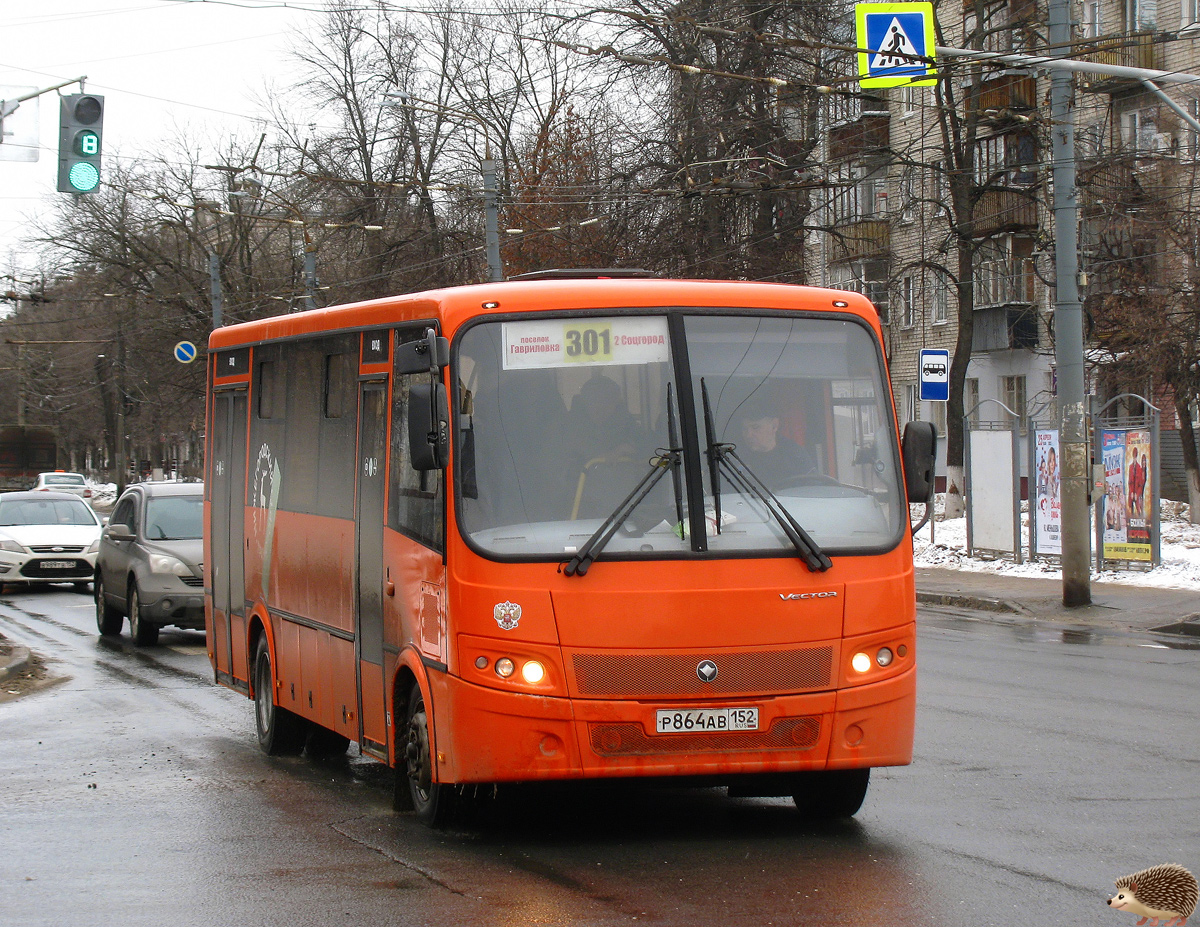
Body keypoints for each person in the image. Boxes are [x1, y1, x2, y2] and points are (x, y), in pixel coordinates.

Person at [734, 399, 816, 488]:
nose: (748, 435)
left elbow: (814, 487)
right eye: (744, 429)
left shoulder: (795, 454)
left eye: (755, 427)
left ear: (774, 425)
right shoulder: (735, 457)